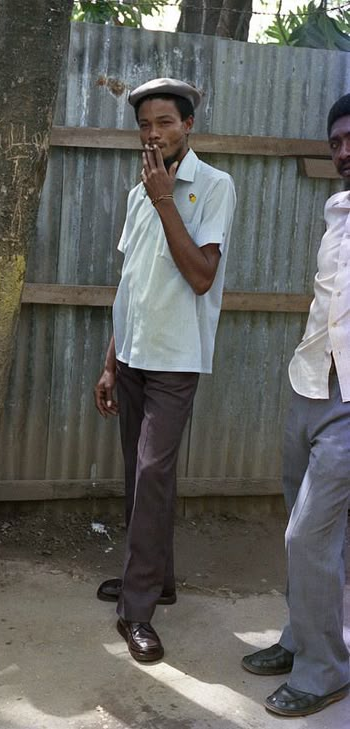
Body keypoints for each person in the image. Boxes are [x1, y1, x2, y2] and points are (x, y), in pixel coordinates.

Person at [94, 78, 236, 662]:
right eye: (145, 125)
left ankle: (138, 610)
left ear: (188, 126)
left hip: (176, 361)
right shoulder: (137, 195)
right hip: (132, 356)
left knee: (153, 475)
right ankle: (157, 579)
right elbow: (131, 287)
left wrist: (164, 198)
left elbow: (200, 275)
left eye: (165, 123)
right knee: (140, 475)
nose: (153, 134)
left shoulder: (213, 186)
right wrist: (109, 363)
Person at [242, 94, 350, 717]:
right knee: (306, 529)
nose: (343, 151)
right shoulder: (336, 210)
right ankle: (301, 636)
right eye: (335, 141)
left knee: (309, 533)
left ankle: (325, 669)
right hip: (310, 383)